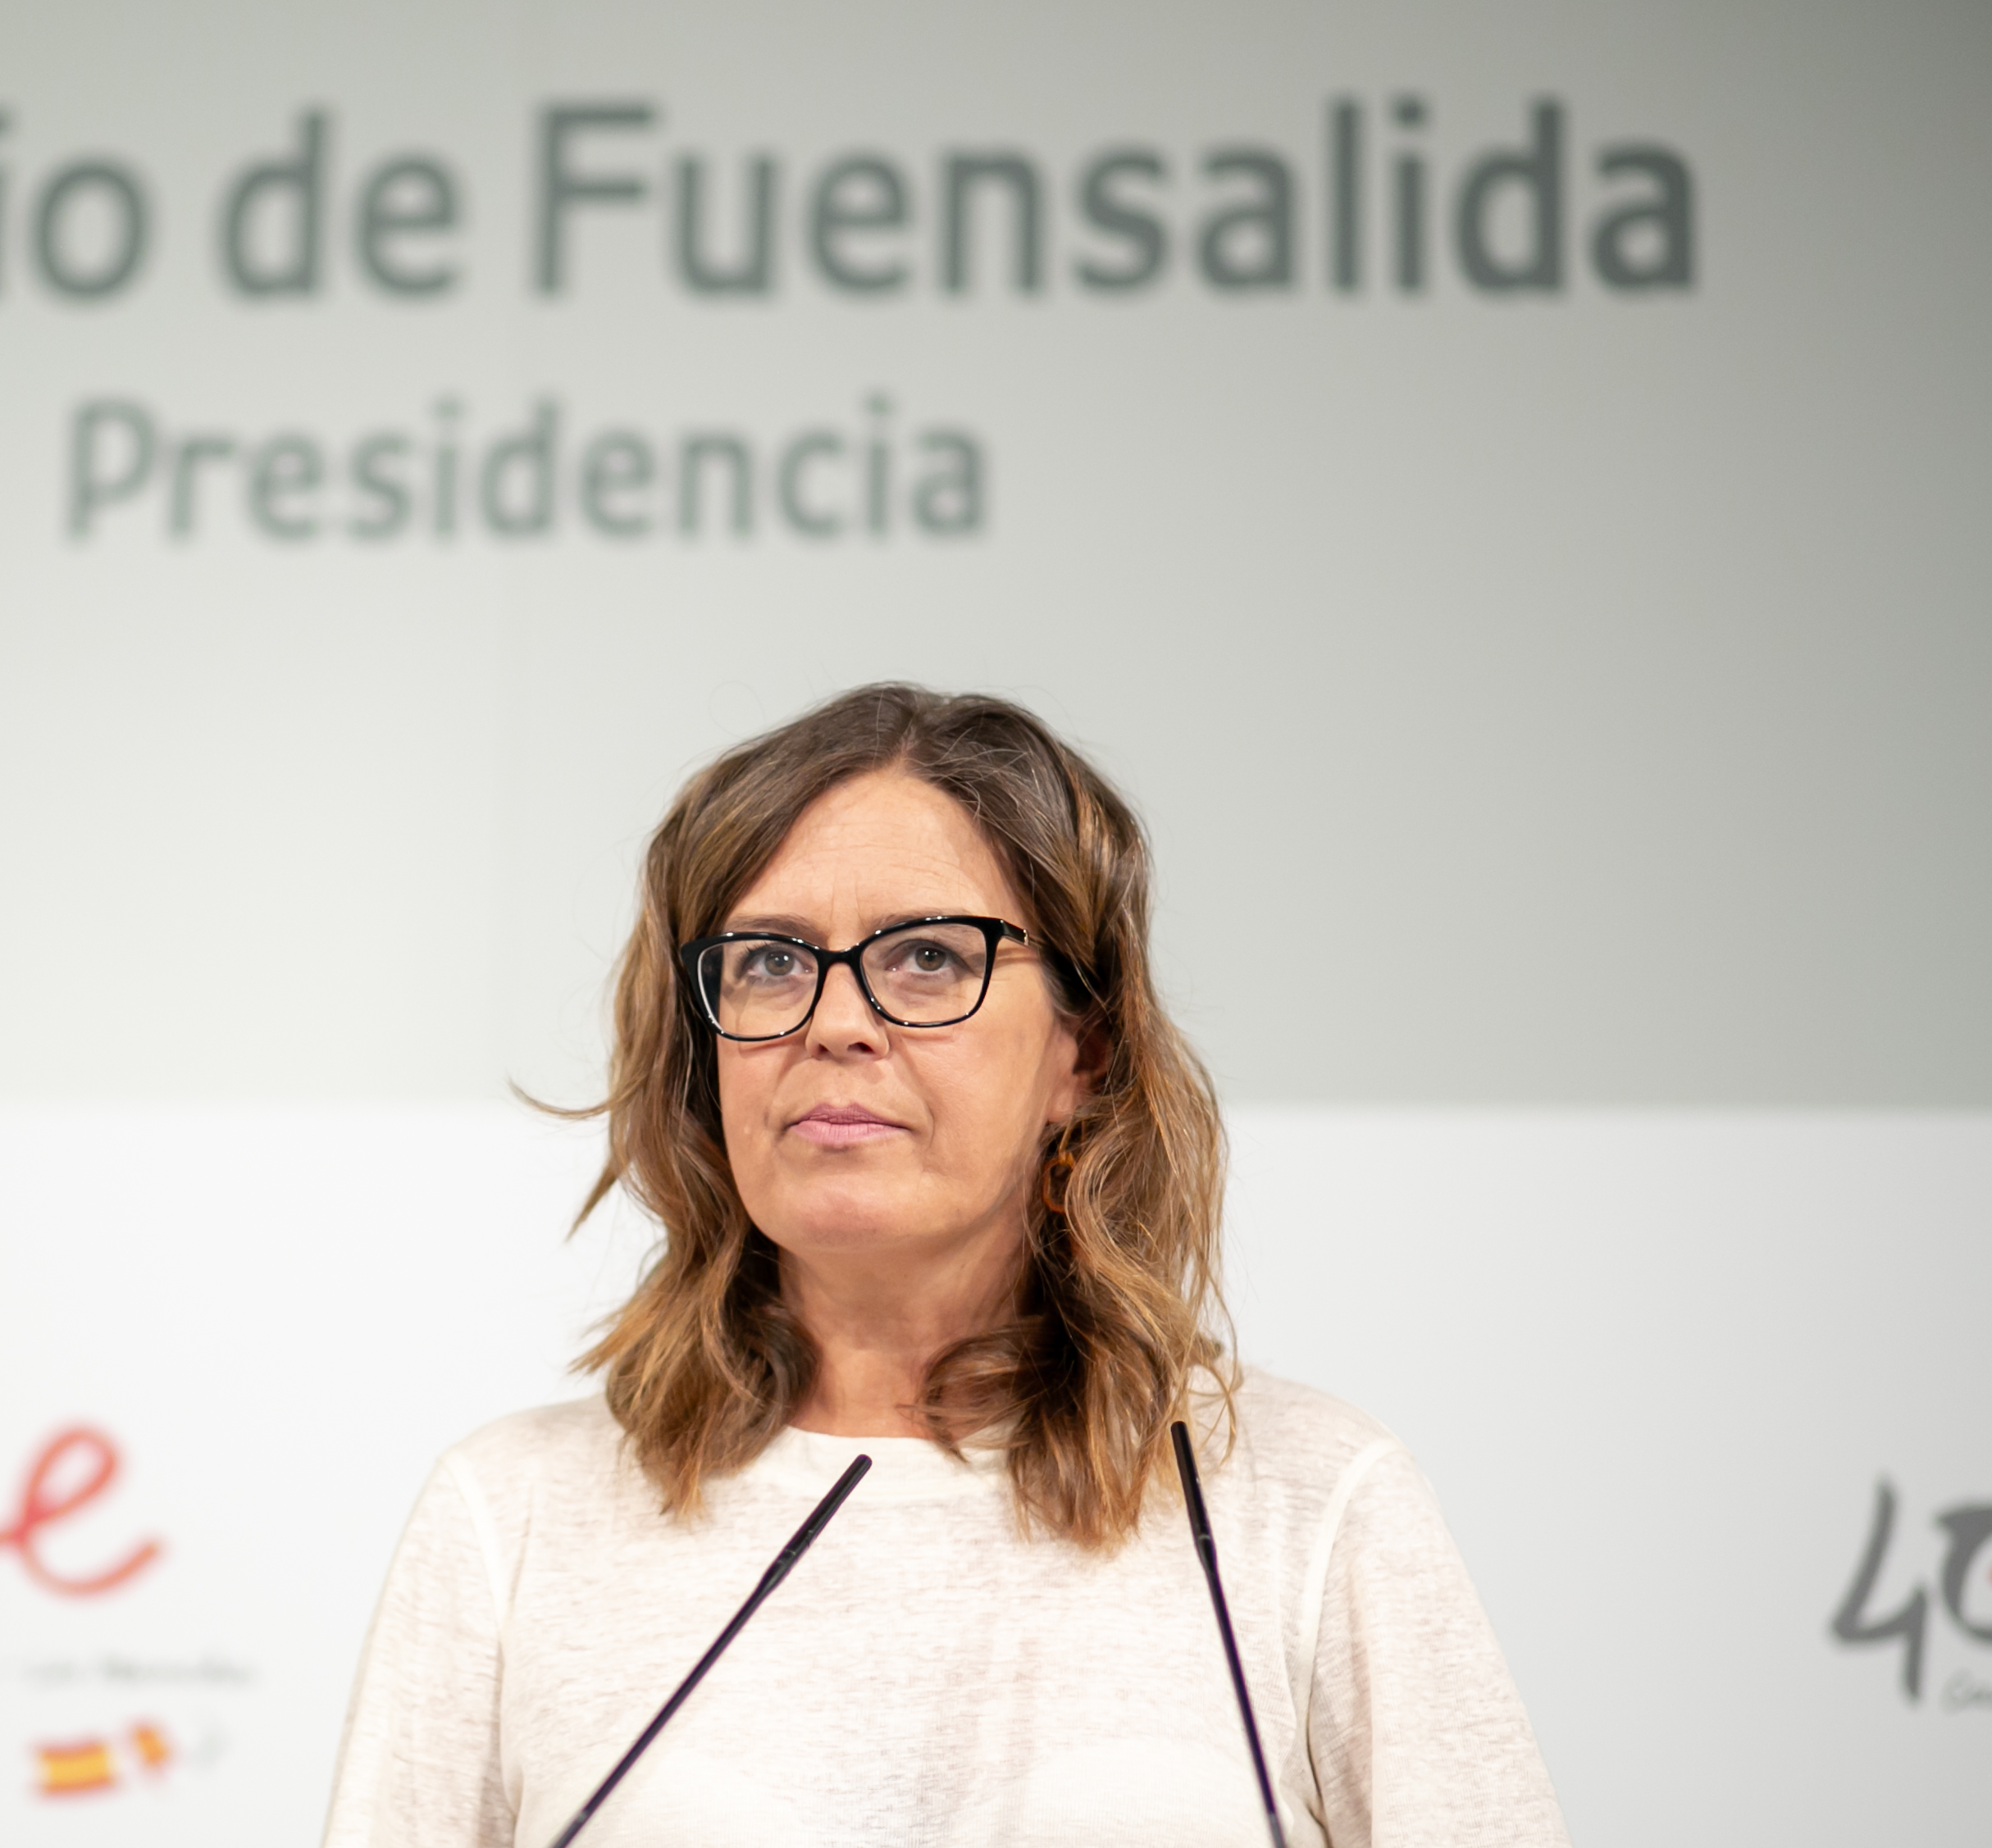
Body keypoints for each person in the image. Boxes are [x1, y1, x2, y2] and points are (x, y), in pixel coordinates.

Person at [321, 684, 1567, 1848]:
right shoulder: (512, 1515)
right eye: (769, 961)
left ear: (1085, 1050)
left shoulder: (1311, 1500)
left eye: (929, 957)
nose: (835, 1022)